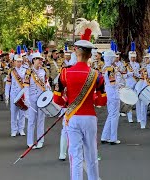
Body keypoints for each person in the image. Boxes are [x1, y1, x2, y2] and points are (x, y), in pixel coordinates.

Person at [53, 40, 103, 180]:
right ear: (89, 55)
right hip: (90, 118)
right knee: (92, 154)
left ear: (76, 51)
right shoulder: (97, 75)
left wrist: (68, 103)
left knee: (75, 156)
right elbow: (102, 100)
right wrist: (90, 99)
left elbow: (56, 99)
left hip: (73, 117)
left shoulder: (65, 73)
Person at [23, 52, 49, 149]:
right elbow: (26, 86)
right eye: (39, 59)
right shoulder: (29, 72)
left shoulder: (44, 71)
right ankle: (30, 142)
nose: (41, 61)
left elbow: (46, 84)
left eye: (41, 60)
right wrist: (26, 98)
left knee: (41, 120)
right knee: (31, 120)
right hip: (32, 98)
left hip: (42, 98)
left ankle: (40, 140)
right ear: (33, 60)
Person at [101, 50, 122, 145]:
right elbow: (113, 83)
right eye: (114, 57)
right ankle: (113, 138)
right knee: (114, 116)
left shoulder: (105, 67)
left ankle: (105, 136)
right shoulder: (110, 69)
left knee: (110, 115)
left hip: (108, 93)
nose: (115, 59)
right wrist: (119, 82)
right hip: (113, 94)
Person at [5, 54, 27, 137]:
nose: (19, 63)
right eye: (18, 62)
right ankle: (14, 130)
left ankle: (21, 129)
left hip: (22, 94)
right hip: (13, 94)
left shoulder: (25, 71)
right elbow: (8, 84)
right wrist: (7, 94)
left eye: (20, 62)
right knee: (13, 113)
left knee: (22, 112)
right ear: (14, 62)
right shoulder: (11, 71)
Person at [125, 42, 141, 123]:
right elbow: (123, 76)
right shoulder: (126, 65)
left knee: (137, 101)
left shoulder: (138, 65)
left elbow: (139, 74)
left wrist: (137, 74)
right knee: (129, 101)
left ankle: (139, 117)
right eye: (132, 57)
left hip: (136, 84)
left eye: (134, 57)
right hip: (129, 84)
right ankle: (130, 117)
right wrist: (129, 74)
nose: (133, 59)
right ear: (129, 57)